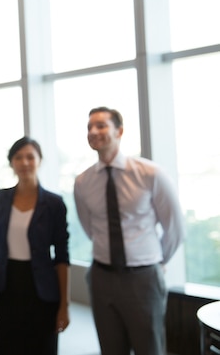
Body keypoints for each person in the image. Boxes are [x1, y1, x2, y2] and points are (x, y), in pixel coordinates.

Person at [73, 106, 185, 355]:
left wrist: (155, 260)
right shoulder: (83, 182)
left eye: (101, 125)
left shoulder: (150, 174)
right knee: (110, 350)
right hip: (101, 277)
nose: (93, 131)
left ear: (119, 131)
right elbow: (90, 228)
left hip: (143, 278)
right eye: (89, 127)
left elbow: (175, 228)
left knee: (150, 349)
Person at [0, 136, 70, 355]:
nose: (24, 162)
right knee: (8, 347)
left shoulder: (54, 203)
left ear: (40, 161)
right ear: (11, 163)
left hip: (42, 289)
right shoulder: (0, 199)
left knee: (42, 348)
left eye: (30, 157)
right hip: (7, 286)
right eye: (18, 157)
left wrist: (64, 306)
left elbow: (61, 257)